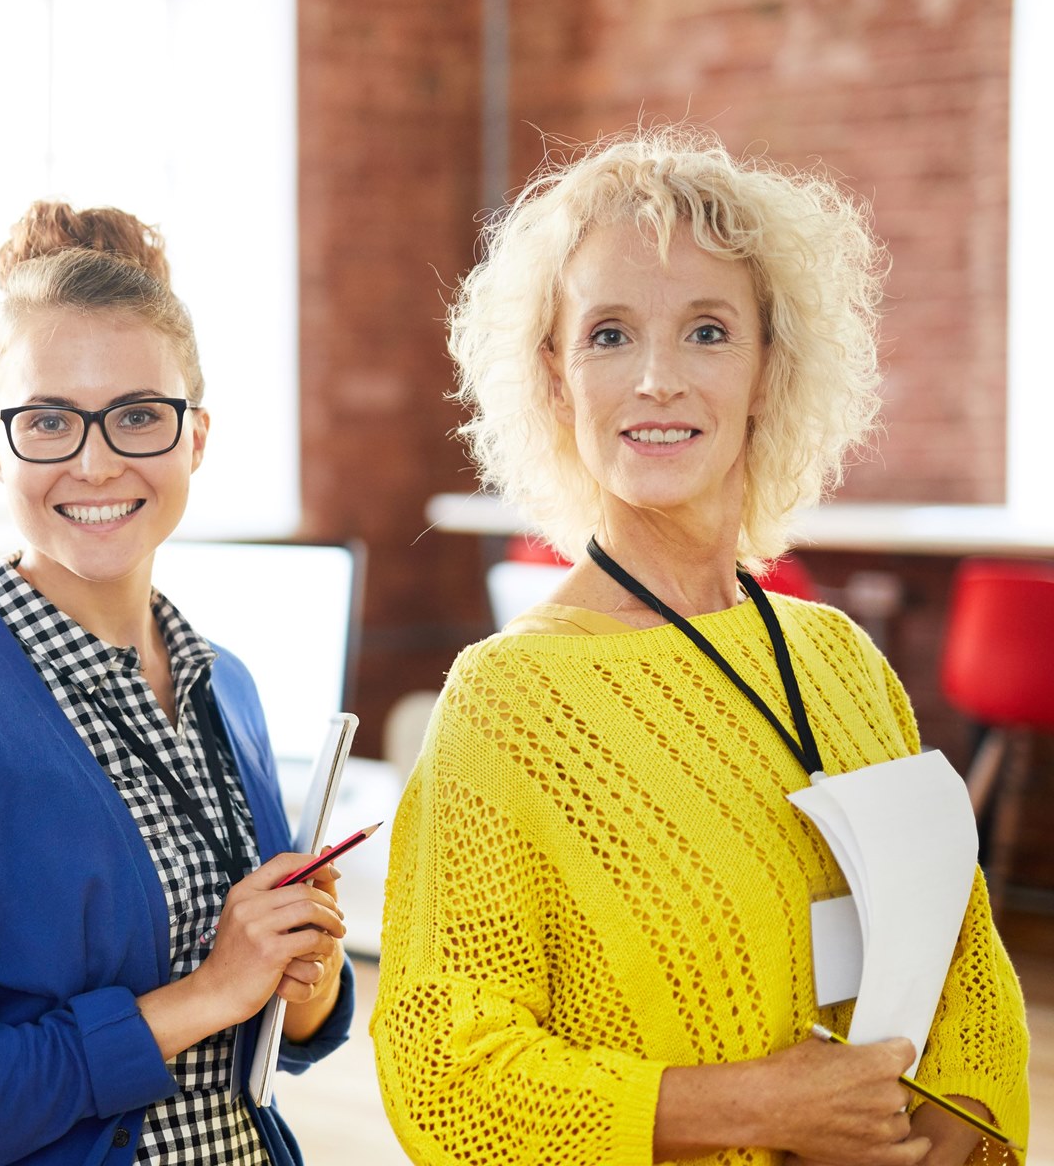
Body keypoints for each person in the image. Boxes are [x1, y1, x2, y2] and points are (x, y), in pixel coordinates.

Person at [371, 127, 1030, 1165]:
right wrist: (754, 1110)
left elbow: (967, 963)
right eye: (610, 334)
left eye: (709, 332)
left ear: (772, 367)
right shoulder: (505, 702)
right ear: (556, 376)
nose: (658, 380)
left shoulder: (842, 659)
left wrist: (950, 1129)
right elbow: (446, 1071)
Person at [0, 202, 354, 1165]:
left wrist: (305, 975)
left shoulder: (222, 686)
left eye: (139, 416)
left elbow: (271, 1031)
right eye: (47, 422)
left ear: (197, 436)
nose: (96, 459)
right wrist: (203, 997)